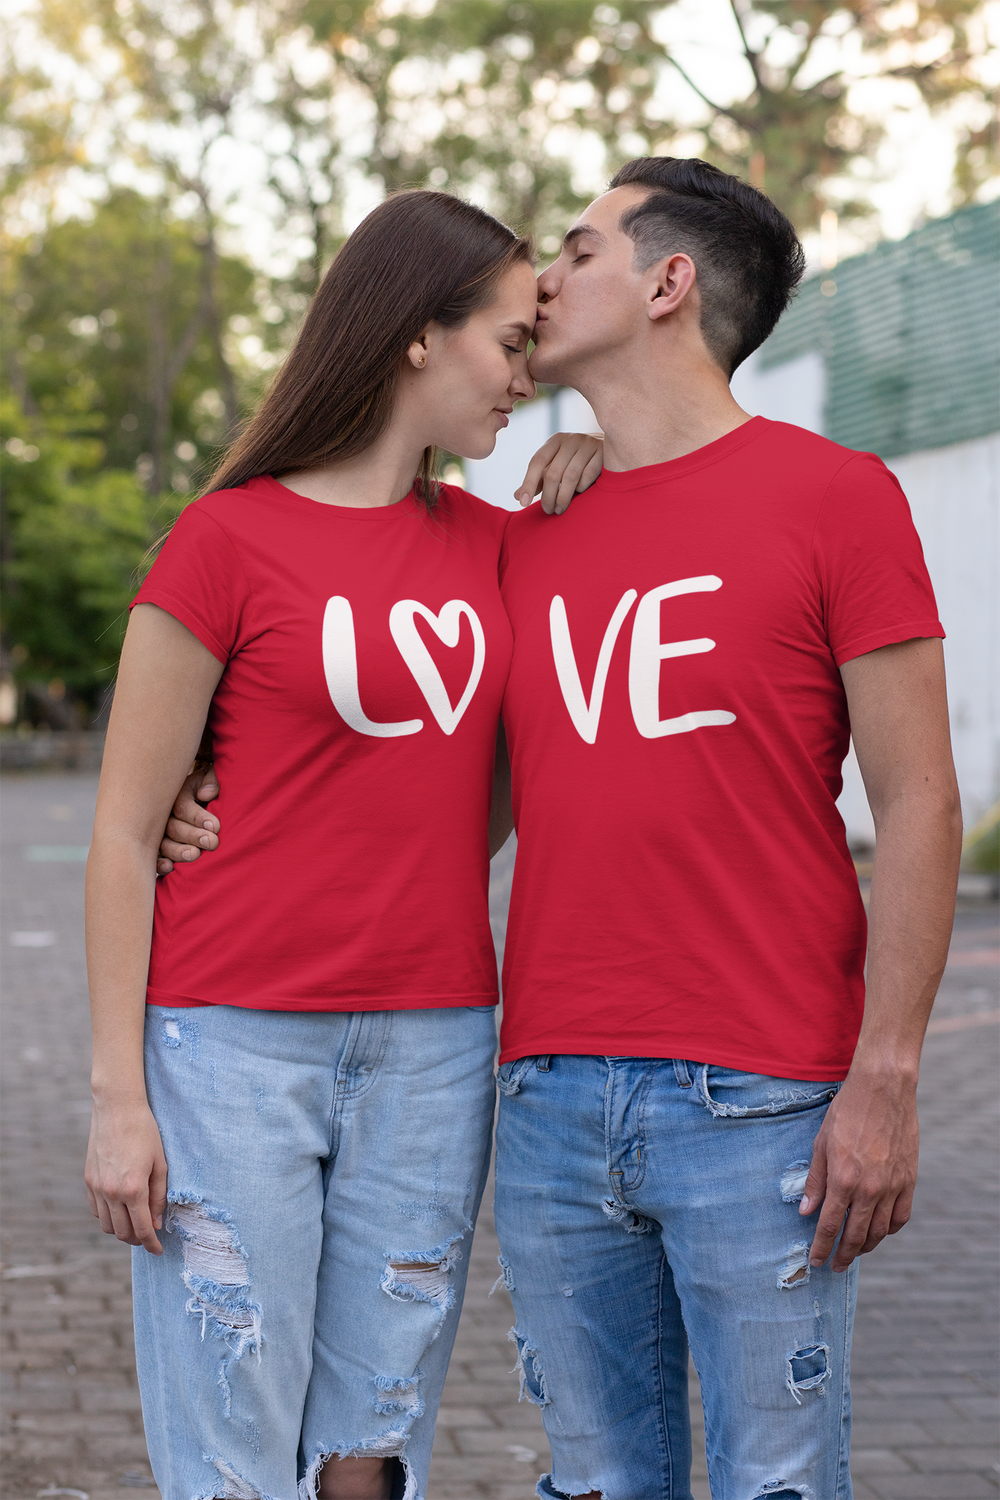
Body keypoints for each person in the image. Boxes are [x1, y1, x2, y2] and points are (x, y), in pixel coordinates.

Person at [162, 159, 962, 1500]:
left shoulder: (837, 496)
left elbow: (922, 798)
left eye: (580, 249)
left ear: (668, 283)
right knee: (593, 1482)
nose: (543, 276)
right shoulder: (521, 535)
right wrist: (203, 805)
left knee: (774, 1481)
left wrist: (887, 1077)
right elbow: (403, 746)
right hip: (545, 1094)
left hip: (762, 1092)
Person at [84, 188, 597, 1500]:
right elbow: (125, 834)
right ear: (417, 335)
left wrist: (601, 459)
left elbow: (500, 785)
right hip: (230, 1044)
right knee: (232, 1438)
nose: (526, 379)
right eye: (510, 344)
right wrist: (118, 1101)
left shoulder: (503, 550)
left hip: (434, 1045)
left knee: (373, 1440)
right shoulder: (225, 540)